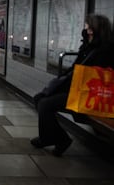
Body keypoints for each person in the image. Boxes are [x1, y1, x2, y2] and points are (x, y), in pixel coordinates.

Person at [31, 14, 114, 157]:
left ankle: (60, 139)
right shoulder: (88, 46)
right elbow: (75, 69)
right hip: (78, 90)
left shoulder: (106, 49)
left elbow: (93, 73)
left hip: (91, 95)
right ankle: (52, 137)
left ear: (93, 29)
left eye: (87, 25)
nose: (85, 28)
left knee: (45, 104)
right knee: (40, 98)